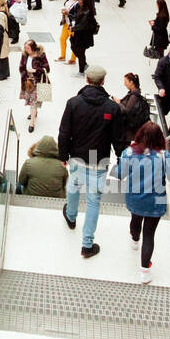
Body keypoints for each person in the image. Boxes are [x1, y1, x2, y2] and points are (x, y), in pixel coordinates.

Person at [57, 65, 122, 258]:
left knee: (74, 186)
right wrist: (120, 157)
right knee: (93, 202)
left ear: (86, 79)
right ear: (103, 81)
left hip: (77, 156)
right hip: (98, 159)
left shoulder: (73, 103)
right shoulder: (112, 107)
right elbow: (118, 138)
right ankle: (87, 245)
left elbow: (64, 132)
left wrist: (63, 155)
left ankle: (71, 216)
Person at [117, 122, 170, 283]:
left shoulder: (129, 152)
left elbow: (120, 174)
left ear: (140, 135)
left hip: (134, 197)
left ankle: (134, 240)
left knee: (135, 219)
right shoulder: (164, 155)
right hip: (156, 200)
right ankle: (145, 271)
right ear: (160, 138)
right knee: (149, 234)